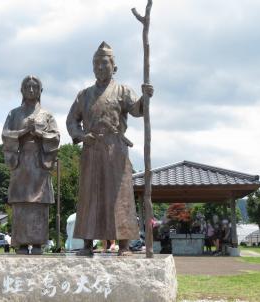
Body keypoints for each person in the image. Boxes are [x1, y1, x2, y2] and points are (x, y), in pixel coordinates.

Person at [66, 41, 154, 256]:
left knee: (120, 196)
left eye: (104, 63)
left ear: (114, 67)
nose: (100, 67)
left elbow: (137, 110)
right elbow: (71, 121)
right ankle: (87, 244)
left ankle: (123, 244)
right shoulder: (84, 94)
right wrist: (80, 135)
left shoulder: (123, 90)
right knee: (89, 196)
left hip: (116, 149)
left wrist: (145, 97)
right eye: (96, 64)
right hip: (92, 148)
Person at [2, 75, 60, 255]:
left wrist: (39, 133)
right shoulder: (14, 113)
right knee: (20, 202)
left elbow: (56, 137)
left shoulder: (47, 115)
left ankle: (37, 243)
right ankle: (20, 243)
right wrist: (23, 132)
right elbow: (5, 135)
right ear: (22, 90)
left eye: (35, 87)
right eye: (28, 87)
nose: (32, 90)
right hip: (21, 163)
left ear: (40, 91)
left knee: (39, 203)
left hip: (39, 163)